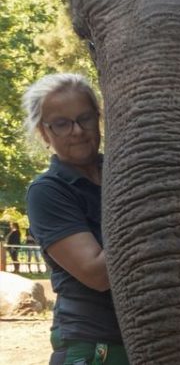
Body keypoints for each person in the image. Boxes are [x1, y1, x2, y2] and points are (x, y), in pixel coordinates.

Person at [23, 73, 129, 364]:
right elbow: (97, 273)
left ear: (99, 118)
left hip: (148, 342)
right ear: (44, 133)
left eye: (85, 118)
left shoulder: (125, 171)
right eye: (61, 124)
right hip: (95, 350)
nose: (77, 131)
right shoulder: (47, 192)